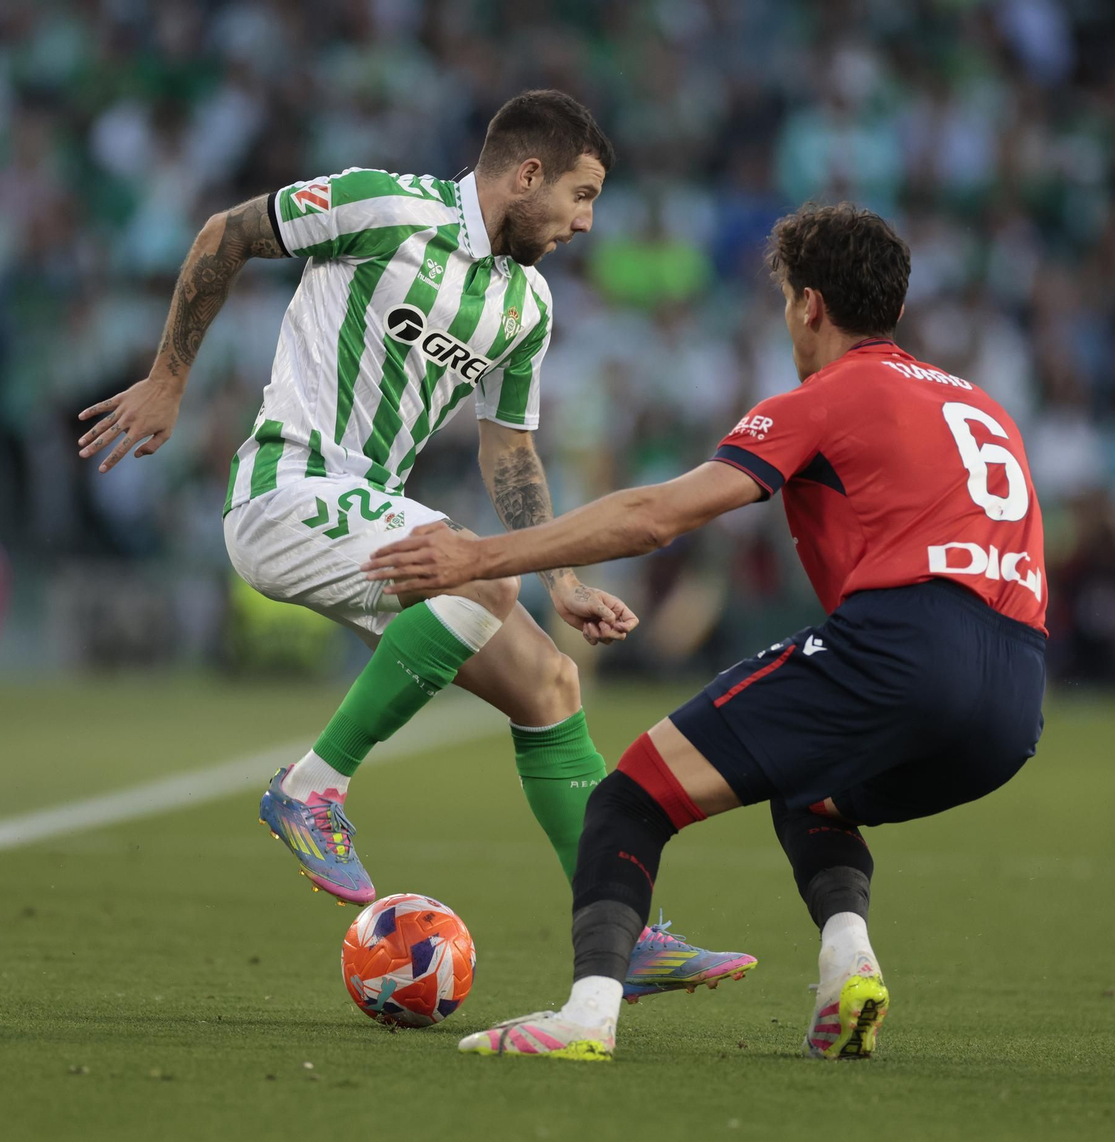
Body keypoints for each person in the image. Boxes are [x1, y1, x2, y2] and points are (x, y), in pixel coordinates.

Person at [76, 90, 753, 1000]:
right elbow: (224, 233)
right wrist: (168, 381)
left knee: (550, 684)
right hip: (284, 491)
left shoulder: (527, 303)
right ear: (526, 175)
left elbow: (508, 449)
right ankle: (310, 789)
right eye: (581, 196)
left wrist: (563, 577)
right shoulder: (383, 208)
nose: (587, 223)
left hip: (371, 515)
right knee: (477, 583)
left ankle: (623, 936)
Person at [365, 202, 1049, 1061]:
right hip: (1018, 697)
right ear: (898, 310)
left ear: (807, 306)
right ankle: (849, 963)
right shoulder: (987, 411)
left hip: (907, 642)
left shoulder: (827, 396)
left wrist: (480, 556)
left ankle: (586, 1018)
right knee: (813, 791)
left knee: (627, 798)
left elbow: (656, 516)